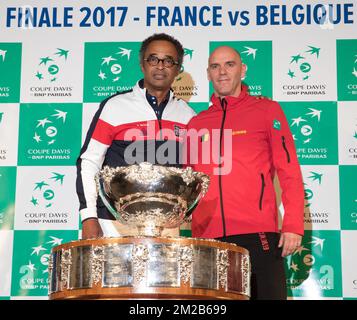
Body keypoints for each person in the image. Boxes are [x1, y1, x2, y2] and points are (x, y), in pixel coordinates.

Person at [185, 46, 304, 300]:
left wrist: (293, 224)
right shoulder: (197, 123)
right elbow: (189, 181)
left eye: (229, 64)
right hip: (209, 237)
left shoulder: (267, 110)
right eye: (215, 66)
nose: (222, 72)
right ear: (208, 73)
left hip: (258, 234)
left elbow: (289, 169)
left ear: (243, 69)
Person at [76, 33, 196, 239]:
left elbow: (193, 172)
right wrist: (89, 217)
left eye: (168, 61)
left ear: (177, 69)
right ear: (142, 64)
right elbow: (89, 163)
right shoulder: (114, 106)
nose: (160, 66)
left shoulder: (188, 115)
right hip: (113, 222)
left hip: (166, 226)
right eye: (153, 59)